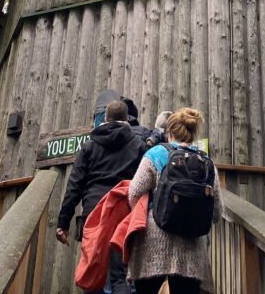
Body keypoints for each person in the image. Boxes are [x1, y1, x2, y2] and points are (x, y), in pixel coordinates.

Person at [126, 108, 221, 294]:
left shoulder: (155, 154)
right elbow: (216, 213)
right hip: (192, 248)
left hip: (153, 244)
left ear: (168, 132)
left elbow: (134, 194)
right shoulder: (206, 162)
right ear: (193, 134)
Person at [56, 99, 145, 294]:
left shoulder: (89, 146)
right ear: (127, 119)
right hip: (124, 213)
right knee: (120, 274)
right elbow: (144, 183)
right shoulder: (138, 145)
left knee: (94, 270)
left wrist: (63, 222)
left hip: (94, 212)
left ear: (105, 119)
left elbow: (74, 186)